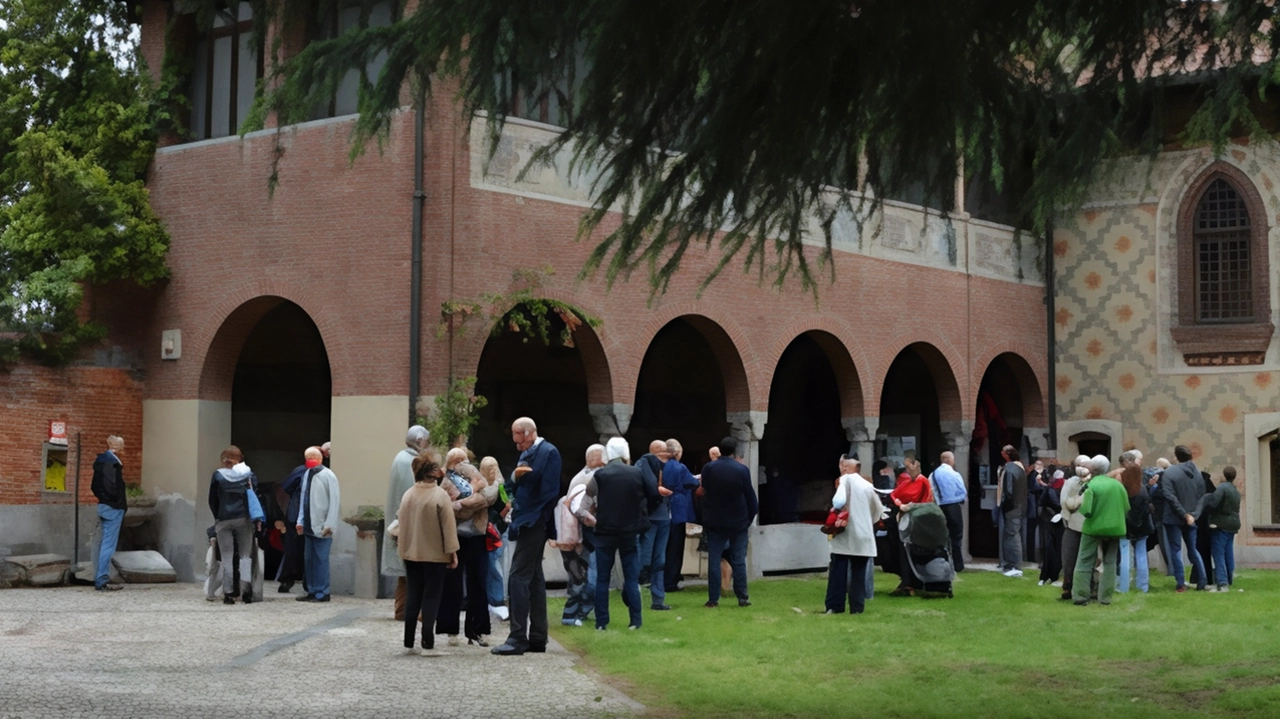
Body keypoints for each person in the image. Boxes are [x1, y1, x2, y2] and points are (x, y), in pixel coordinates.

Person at [492, 418, 562, 656]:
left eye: (518, 436)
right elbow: (515, 486)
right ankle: (537, 638)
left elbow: (550, 491)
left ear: (530, 433)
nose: (515, 442)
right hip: (526, 519)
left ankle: (517, 637)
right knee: (533, 579)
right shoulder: (528, 454)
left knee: (517, 577)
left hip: (534, 522)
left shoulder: (548, 453)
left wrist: (533, 517)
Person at [586, 437, 657, 630]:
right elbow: (652, 494)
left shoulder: (601, 474)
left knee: (602, 578)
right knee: (631, 578)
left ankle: (602, 622)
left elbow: (589, 491)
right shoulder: (637, 473)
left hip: (606, 530)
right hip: (629, 530)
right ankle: (635, 620)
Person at [396, 449, 458, 656]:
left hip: (410, 553)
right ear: (434, 472)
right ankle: (428, 641)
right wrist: (452, 552)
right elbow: (448, 528)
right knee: (431, 596)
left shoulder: (408, 494)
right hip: (434, 554)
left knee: (413, 594)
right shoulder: (440, 495)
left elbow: (400, 523)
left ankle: (408, 640)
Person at [438, 449, 497, 646]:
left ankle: (478, 630)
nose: (461, 464)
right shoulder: (446, 481)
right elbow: (446, 505)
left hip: (476, 536)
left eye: (464, 460)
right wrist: (467, 504)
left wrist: (461, 504)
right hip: (454, 536)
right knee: (452, 583)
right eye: (457, 461)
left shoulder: (479, 477)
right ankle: (449, 629)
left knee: (478, 583)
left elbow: (485, 499)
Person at [699, 437, 758, 608]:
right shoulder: (741, 470)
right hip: (738, 520)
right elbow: (750, 497)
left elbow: (705, 492)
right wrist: (749, 518)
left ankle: (713, 598)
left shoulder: (709, 468)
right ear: (733, 451)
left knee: (714, 559)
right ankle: (742, 596)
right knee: (738, 559)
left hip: (716, 520)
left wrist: (706, 516)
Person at [825, 456, 884, 614]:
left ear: (845, 467)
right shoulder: (868, 485)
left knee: (838, 570)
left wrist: (837, 511)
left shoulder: (845, 480)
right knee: (859, 573)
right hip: (864, 534)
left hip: (846, 533)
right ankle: (857, 608)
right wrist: (866, 522)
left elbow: (838, 501)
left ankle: (835, 606)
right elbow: (878, 510)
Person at [384, 426, 431, 620]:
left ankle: (403, 609)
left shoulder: (402, 458)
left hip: (403, 521)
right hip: (409, 524)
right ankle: (409, 610)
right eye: (426, 441)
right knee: (413, 571)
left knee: (407, 573)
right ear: (419, 441)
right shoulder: (410, 461)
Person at [208, 446, 264, 605]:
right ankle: (246, 592)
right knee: (245, 556)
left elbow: (212, 499)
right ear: (240, 458)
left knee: (226, 556)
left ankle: (228, 593)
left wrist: (217, 516)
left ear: (223, 459)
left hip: (224, 519)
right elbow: (255, 494)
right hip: (243, 518)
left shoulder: (218, 475)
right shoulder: (248, 475)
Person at [1072, 455, 1128, 606]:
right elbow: (1126, 507)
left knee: (1084, 561)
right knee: (1110, 563)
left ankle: (1080, 596)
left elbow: (1086, 510)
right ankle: (1105, 598)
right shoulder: (1118, 485)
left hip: (1093, 528)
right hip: (1115, 528)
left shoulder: (1091, 486)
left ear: (1091, 469)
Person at [561, 444, 604, 627]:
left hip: (576, 537)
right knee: (586, 578)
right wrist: (597, 522)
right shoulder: (590, 479)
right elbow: (579, 509)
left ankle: (575, 614)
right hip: (584, 537)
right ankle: (576, 614)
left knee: (580, 577)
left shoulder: (581, 476)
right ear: (596, 458)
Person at [1160, 445, 1208, 592]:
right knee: (1193, 549)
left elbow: (1169, 495)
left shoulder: (1169, 473)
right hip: (1191, 517)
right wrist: (1193, 515)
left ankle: (1181, 583)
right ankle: (1202, 580)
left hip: (1174, 516)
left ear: (1176, 456)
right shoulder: (1198, 474)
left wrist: (1184, 514)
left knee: (1176, 550)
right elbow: (1202, 497)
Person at [296, 446, 340, 602]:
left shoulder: (329, 476)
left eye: (313, 457)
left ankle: (322, 592)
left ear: (321, 458)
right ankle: (312, 590)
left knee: (321, 560)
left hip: (322, 526)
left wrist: (329, 525)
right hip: (309, 524)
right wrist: (300, 520)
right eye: (308, 457)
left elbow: (334, 502)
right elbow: (303, 499)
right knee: (309, 559)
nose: (310, 460)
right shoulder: (307, 474)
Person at [636, 440, 674, 610]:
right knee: (645, 558)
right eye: (663, 451)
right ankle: (635, 593)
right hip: (651, 517)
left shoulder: (666, 466)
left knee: (659, 559)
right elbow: (647, 488)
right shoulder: (644, 465)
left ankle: (658, 599)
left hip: (663, 516)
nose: (666, 454)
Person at [887, 457, 932, 596]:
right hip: (903, 516)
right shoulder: (907, 481)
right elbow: (894, 494)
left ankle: (913, 581)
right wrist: (901, 504)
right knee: (902, 550)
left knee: (911, 550)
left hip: (915, 519)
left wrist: (908, 505)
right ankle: (906, 579)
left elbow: (922, 499)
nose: (906, 470)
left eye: (908, 467)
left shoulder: (922, 481)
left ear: (916, 465)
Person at [91, 435, 128, 592]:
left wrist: (104, 499)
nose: (124, 449)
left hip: (104, 505)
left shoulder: (101, 461)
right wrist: (117, 502)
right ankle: (101, 579)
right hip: (113, 507)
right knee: (108, 545)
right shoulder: (111, 462)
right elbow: (112, 485)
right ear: (116, 447)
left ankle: (100, 577)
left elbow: (94, 486)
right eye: (122, 446)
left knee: (102, 544)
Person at [663, 439, 700, 593]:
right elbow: (692, 482)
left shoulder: (660, 466)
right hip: (677, 510)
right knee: (675, 547)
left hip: (663, 510)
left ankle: (661, 579)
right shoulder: (679, 467)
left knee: (662, 547)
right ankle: (671, 581)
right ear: (677, 453)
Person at [1197, 466, 1240, 592]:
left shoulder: (1222, 487)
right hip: (1233, 524)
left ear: (1224, 475)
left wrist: (1206, 500)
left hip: (1220, 524)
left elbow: (1214, 503)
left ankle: (1222, 583)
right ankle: (1229, 578)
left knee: (1218, 554)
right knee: (1228, 553)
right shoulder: (1235, 490)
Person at [1117, 450, 1153, 594]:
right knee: (1141, 555)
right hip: (1142, 525)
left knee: (1125, 556)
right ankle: (1143, 586)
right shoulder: (1143, 490)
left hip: (1126, 525)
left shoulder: (1121, 489)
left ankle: (1124, 586)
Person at [480, 456, 510, 621]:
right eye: (488, 468)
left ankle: (497, 599)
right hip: (483, 529)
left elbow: (508, 505)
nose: (492, 471)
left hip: (497, 529)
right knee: (488, 564)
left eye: (494, 467)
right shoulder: (479, 485)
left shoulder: (501, 487)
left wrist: (499, 518)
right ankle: (489, 598)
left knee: (494, 564)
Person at [1058, 456, 1090, 602]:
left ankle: (1074, 589)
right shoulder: (1073, 482)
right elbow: (1064, 503)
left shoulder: (1073, 483)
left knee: (1075, 559)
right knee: (1072, 559)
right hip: (1078, 525)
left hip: (1079, 525)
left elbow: (1064, 503)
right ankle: (1072, 588)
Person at [930, 451, 967, 572]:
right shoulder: (954, 474)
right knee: (956, 536)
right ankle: (958, 564)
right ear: (950, 460)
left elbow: (931, 491)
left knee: (941, 537)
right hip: (953, 507)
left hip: (940, 507)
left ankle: (943, 562)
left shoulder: (933, 474)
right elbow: (962, 491)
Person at [998, 445, 1028, 577]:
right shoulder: (1020, 467)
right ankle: (1010, 563)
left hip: (1012, 507)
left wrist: (1005, 504)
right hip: (1020, 505)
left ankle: (1014, 565)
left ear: (1007, 455)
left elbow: (1009, 491)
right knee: (1013, 533)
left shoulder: (1009, 469)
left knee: (1012, 534)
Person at [1037, 469, 1065, 586]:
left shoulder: (1052, 489)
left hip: (1056, 518)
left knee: (1054, 547)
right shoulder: (1052, 489)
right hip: (1052, 519)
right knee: (1052, 547)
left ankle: (1051, 575)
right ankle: (1049, 575)